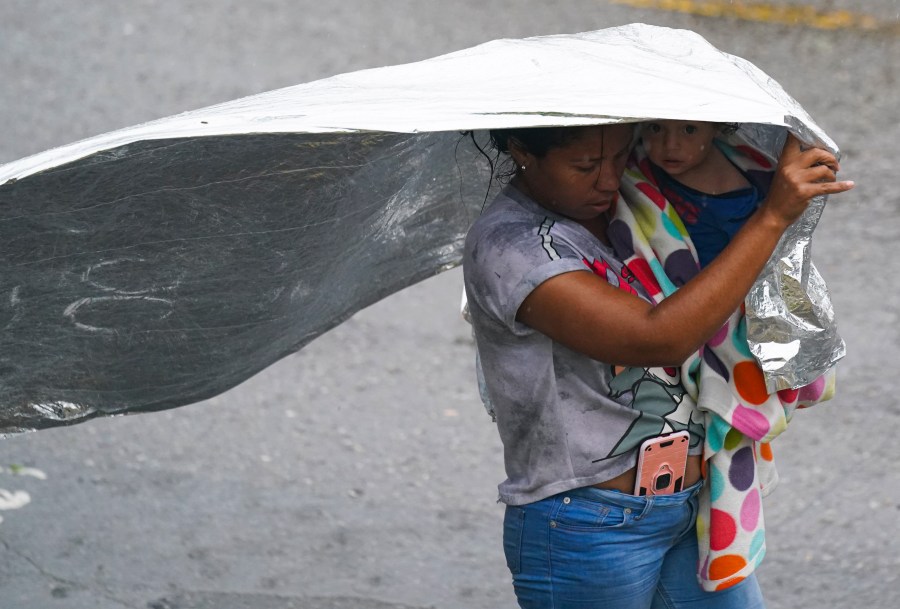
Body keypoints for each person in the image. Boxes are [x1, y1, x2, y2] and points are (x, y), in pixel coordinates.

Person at [462, 123, 853, 609]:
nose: (607, 179)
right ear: (522, 151)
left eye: (619, 155)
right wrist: (772, 215)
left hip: (693, 506)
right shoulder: (513, 248)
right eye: (585, 166)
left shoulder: (640, 199)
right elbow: (658, 337)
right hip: (588, 523)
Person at [637, 120, 772, 267]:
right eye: (656, 128)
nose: (670, 145)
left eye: (689, 129)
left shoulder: (733, 201)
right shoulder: (636, 158)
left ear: (717, 127)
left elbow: (749, 262)